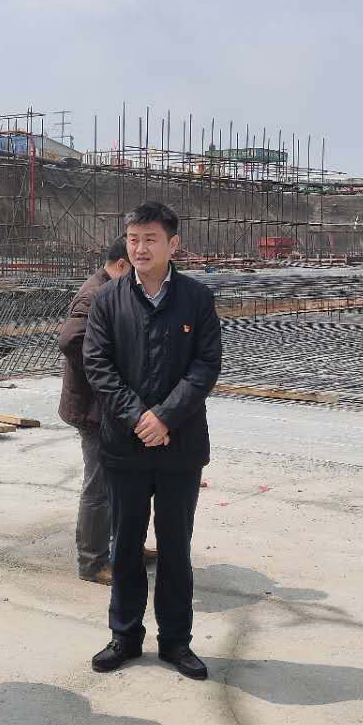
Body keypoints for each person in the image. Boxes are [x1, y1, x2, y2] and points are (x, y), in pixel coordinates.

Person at [83, 202, 222, 681]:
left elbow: (206, 364)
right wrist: (137, 415)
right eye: (133, 239)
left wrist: (165, 416)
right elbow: (98, 364)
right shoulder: (108, 299)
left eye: (150, 239)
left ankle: (176, 641)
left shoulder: (197, 298)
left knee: (175, 547)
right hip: (125, 445)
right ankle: (124, 636)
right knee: (124, 544)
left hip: (180, 446)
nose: (140, 248)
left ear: (172, 244)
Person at [59, 237, 132, 584]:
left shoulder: (111, 289)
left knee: (118, 482)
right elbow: (70, 340)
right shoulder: (95, 294)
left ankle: (121, 546)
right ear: (121, 265)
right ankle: (92, 561)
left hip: (107, 406)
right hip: (93, 408)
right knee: (99, 486)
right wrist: (107, 367)